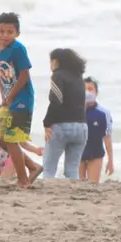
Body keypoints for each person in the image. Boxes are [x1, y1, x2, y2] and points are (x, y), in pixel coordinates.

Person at [0, 12, 42, 187]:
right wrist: (3, 95)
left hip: (22, 100)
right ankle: (33, 167)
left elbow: (24, 75)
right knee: (0, 139)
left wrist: (11, 96)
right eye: (1, 31)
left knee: (11, 139)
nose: (5, 35)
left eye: (10, 32)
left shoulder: (18, 49)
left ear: (17, 33)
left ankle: (23, 180)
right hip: (8, 99)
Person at [42, 48, 90, 180]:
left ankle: (47, 191)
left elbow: (56, 100)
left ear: (56, 61)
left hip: (62, 126)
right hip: (81, 127)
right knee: (72, 170)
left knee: (49, 168)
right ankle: (74, 191)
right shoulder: (79, 78)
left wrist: (47, 122)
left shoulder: (57, 75)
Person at [80, 77, 114, 183]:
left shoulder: (103, 113)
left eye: (90, 89)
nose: (87, 92)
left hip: (95, 154)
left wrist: (110, 161)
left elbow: (107, 137)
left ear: (96, 92)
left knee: (93, 186)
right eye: (84, 89)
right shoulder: (74, 111)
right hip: (77, 154)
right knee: (76, 185)